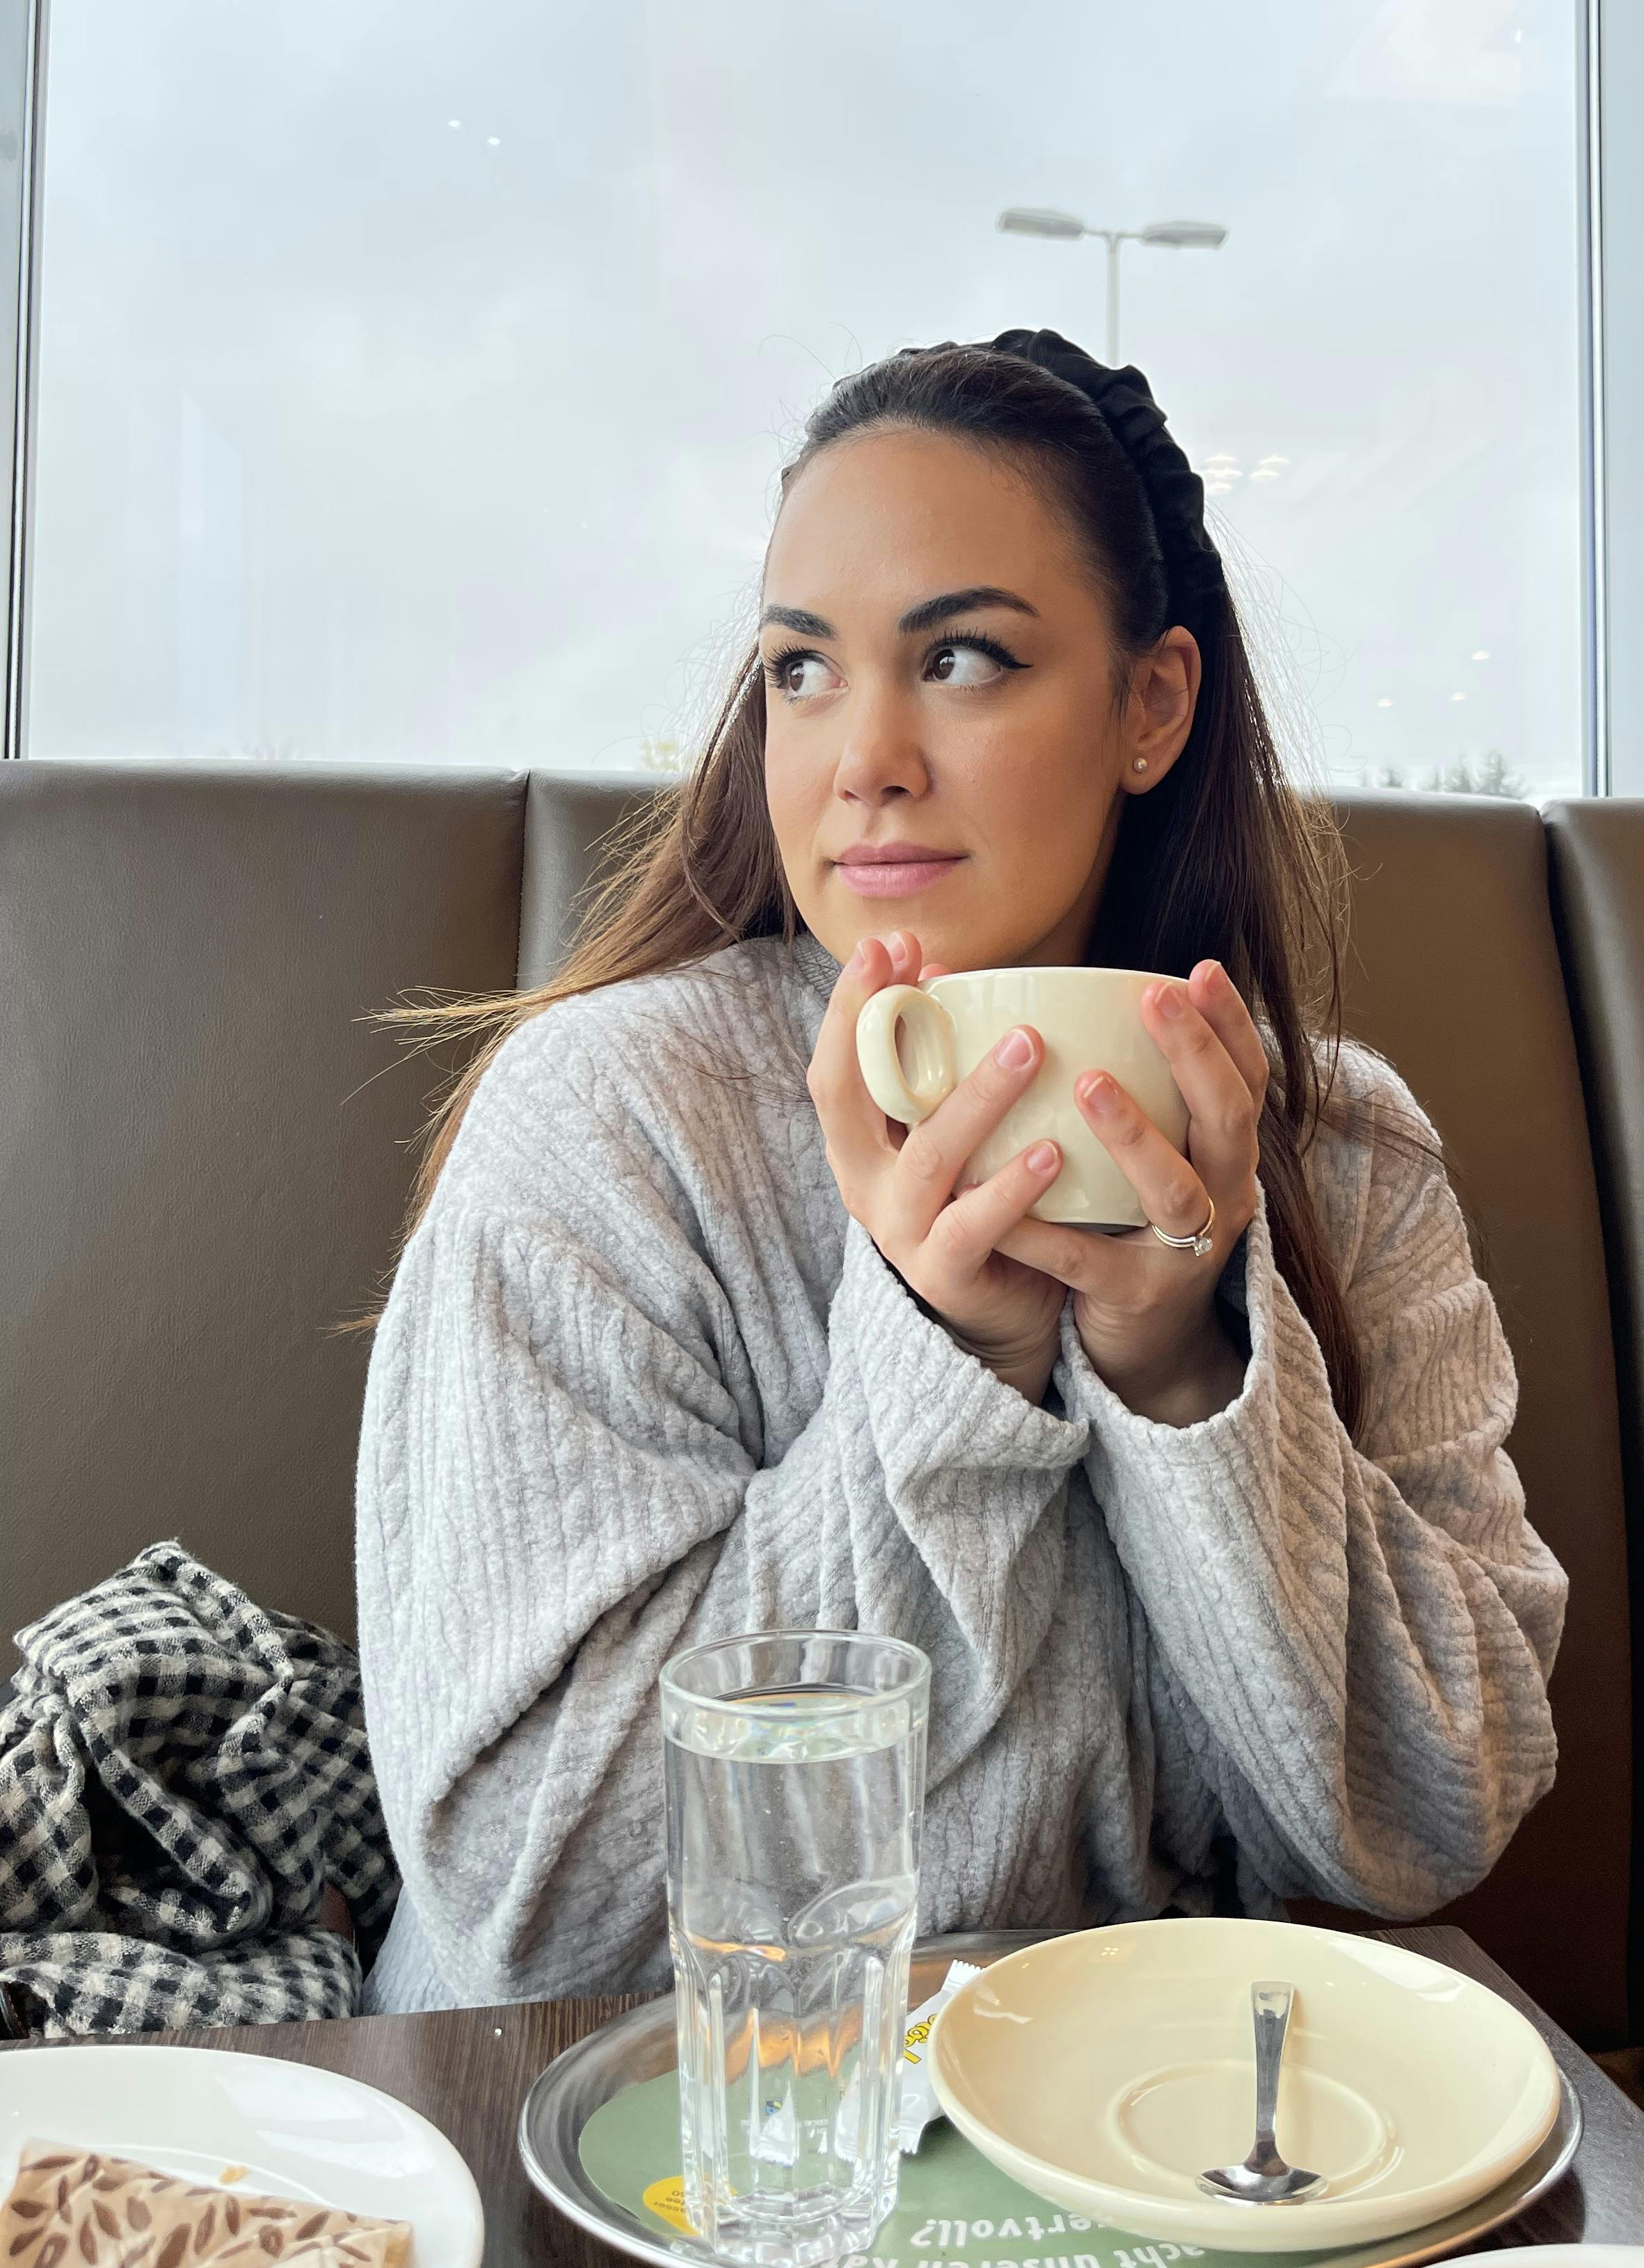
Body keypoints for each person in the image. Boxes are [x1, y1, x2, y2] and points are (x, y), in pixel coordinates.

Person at [353, 328, 1567, 2013]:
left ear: (1153, 706)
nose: (863, 758)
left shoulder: (1341, 1156)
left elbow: (1439, 1820)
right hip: (655, 2126)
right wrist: (951, 1363)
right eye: (801, 669)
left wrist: (1186, 1374)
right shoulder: (610, 1123)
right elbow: (540, 1914)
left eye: (964, 658)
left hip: (1139, 2120)